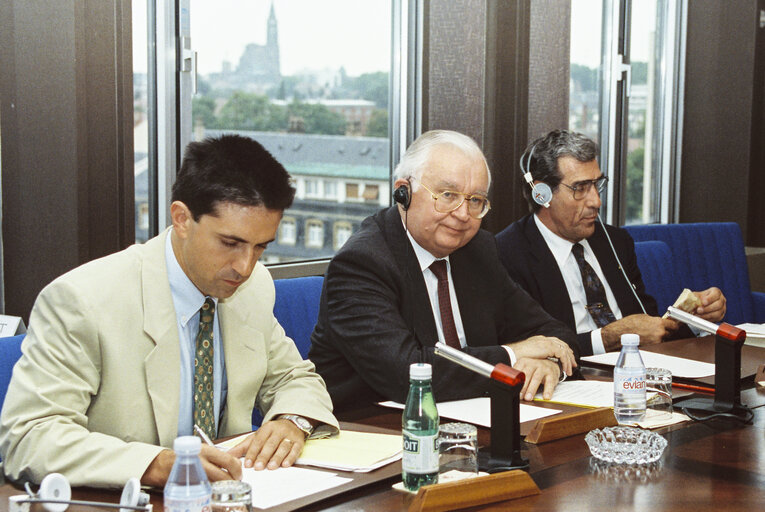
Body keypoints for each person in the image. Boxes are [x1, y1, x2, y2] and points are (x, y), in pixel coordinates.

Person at [0, 135, 338, 488]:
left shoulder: (253, 289)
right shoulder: (83, 301)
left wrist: (291, 422)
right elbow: (29, 437)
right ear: (181, 219)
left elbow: (294, 378)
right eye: (230, 243)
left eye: (260, 248)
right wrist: (156, 464)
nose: (245, 266)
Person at [309, 130, 578, 412]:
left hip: (470, 421)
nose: (463, 214)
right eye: (448, 195)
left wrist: (548, 363)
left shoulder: (478, 251)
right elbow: (408, 374)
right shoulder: (362, 263)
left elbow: (554, 333)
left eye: (475, 200)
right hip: (374, 430)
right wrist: (514, 354)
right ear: (404, 192)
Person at [495, 129, 726, 356]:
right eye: (580, 188)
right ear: (541, 193)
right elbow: (526, 346)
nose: (596, 201)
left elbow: (648, 327)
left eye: (597, 184)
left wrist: (693, 319)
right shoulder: (508, 254)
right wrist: (607, 339)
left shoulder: (615, 242)